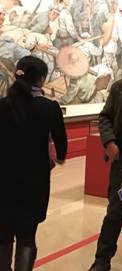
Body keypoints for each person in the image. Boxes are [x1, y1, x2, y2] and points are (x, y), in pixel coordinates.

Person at [0, 56, 67, 271]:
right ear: (41, 79)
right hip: (34, 181)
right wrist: (56, 158)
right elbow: (61, 149)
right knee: (27, 235)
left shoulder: (2, 105)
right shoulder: (49, 107)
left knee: (3, 233)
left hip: (3, 180)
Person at [87, 73, 122, 271]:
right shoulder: (120, 87)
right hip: (121, 163)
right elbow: (105, 116)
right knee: (115, 212)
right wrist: (108, 141)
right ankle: (102, 259)